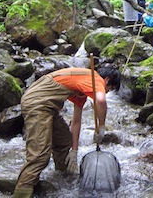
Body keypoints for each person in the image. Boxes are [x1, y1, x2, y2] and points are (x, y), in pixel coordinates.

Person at [13, 65, 121, 198]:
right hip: (38, 104)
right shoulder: (95, 79)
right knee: (40, 155)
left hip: (47, 106)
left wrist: (74, 152)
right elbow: (101, 100)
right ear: (107, 79)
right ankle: (22, 190)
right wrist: (102, 126)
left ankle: (63, 176)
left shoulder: (81, 87)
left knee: (63, 140)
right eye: (109, 89)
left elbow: (76, 122)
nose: (106, 91)